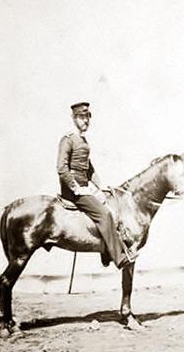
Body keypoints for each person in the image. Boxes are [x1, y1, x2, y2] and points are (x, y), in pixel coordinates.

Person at [56, 101, 133, 269]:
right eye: (82, 117)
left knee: (111, 204)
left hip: (84, 187)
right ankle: (119, 257)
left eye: (88, 117)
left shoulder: (82, 141)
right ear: (74, 118)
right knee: (104, 214)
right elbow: (61, 168)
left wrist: (102, 186)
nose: (86, 121)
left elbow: (89, 169)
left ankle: (105, 252)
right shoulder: (67, 140)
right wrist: (76, 188)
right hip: (72, 190)